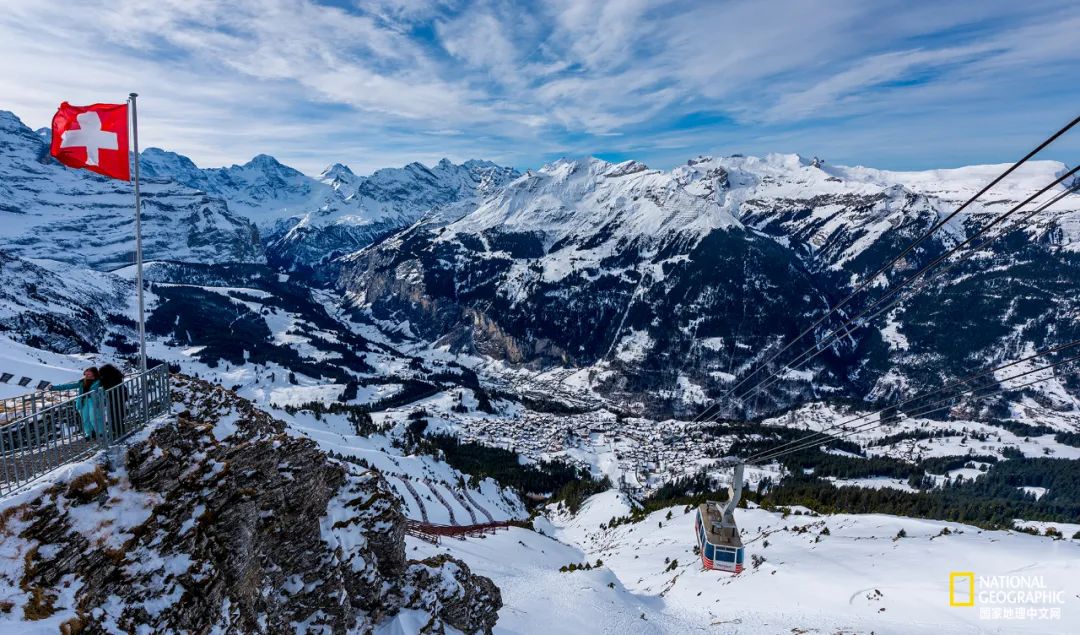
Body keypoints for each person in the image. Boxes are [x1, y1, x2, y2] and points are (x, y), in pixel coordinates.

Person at [51, 367, 103, 440]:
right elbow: (68, 386)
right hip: (83, 401)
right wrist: (53, 388)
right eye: (86, 373)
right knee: (85, 418)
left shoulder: (99, 382)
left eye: (89, 373)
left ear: (94, 373)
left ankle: (100, 432)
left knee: (94, 417)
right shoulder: (82, 382)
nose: (86, 375)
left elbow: (103, 391)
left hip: (93, 400)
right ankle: (90, 433)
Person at [98, 364, 127, 438]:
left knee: (114, 413)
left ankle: (117, 430)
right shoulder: (116, 375)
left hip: (115, 396)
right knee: (118, 412)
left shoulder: (109, 378)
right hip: (121, 394)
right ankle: (119, 429)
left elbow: (108, 387)